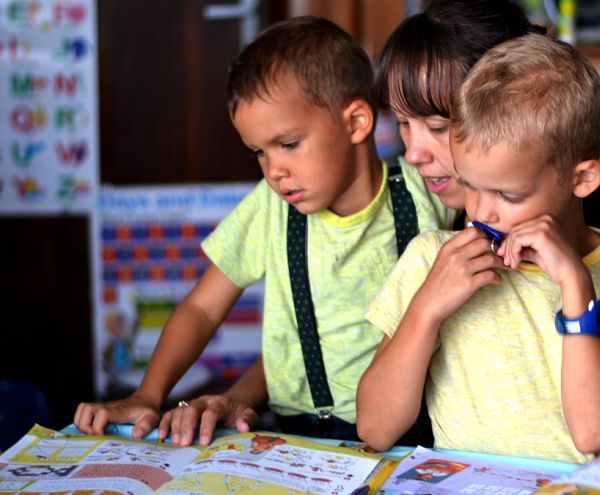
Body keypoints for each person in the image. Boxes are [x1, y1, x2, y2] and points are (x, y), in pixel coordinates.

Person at [373, 0, 600, 476]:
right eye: (402, 124)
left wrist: (576, 287)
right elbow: (386, 425)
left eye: (438, 127)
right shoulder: (433, 239)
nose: (412, 153)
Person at [73, 16, 455, 446]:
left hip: (413, 433)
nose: (274, 170)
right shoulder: (273, 209)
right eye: (259, 152)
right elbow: (201, 309)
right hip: (300, 435)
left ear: (356, 123)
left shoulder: (426, 193)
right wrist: (148, 393)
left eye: (288, 144)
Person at [356, 33, 600, 464]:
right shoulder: (433, 258)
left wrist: (577, 287)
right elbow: (375, 427)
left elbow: (595, 434)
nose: (481, 213)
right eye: (469, 185)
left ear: (582, 180)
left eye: (510, 196)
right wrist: (426, 307)